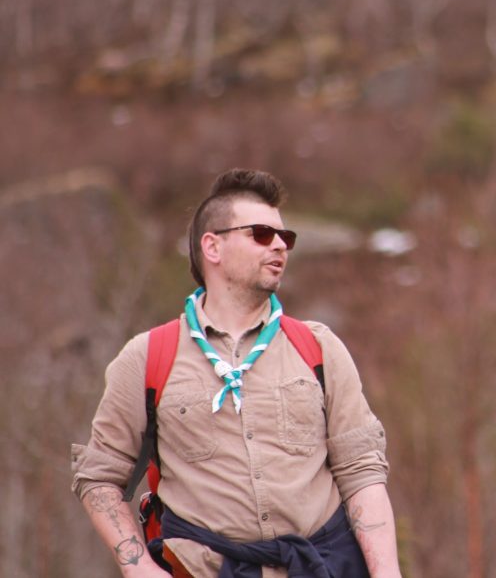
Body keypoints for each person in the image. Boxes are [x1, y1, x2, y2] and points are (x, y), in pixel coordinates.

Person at [72, 169, 402, 578]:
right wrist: (139, 569)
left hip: (323, 567)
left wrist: (387, 573)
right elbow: (100, 476)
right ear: (212, 246)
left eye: (285, 237)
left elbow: (362, 471)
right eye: (261, 234)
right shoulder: (147, 357)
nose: (279, 244)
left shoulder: (319, 347)